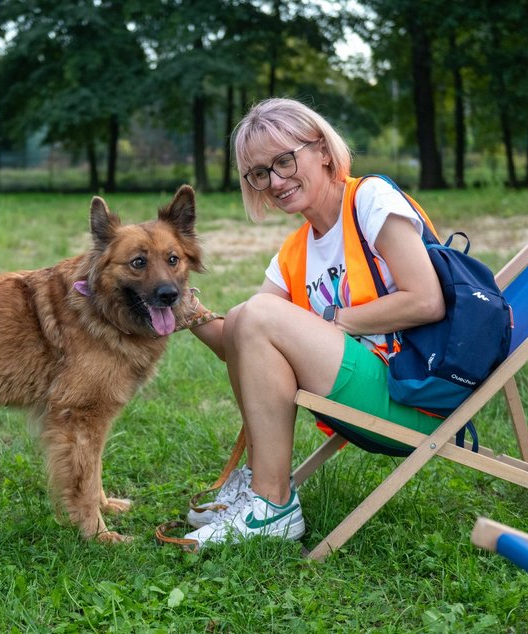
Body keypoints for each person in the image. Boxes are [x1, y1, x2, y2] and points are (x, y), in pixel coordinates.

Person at [182, 97, 446, 548]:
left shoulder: (370, 200)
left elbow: (427, 300)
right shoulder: (295, 251)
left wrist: (332, 320)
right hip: (358, 398)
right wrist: (186, 311)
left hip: (414, 399)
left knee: (258, 312)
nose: (276, 181)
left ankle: (272, 503)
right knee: (250, 314)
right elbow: (242, 344)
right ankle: (264, 492)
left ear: (322, 150)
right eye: (261, 173)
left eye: (285, 161)